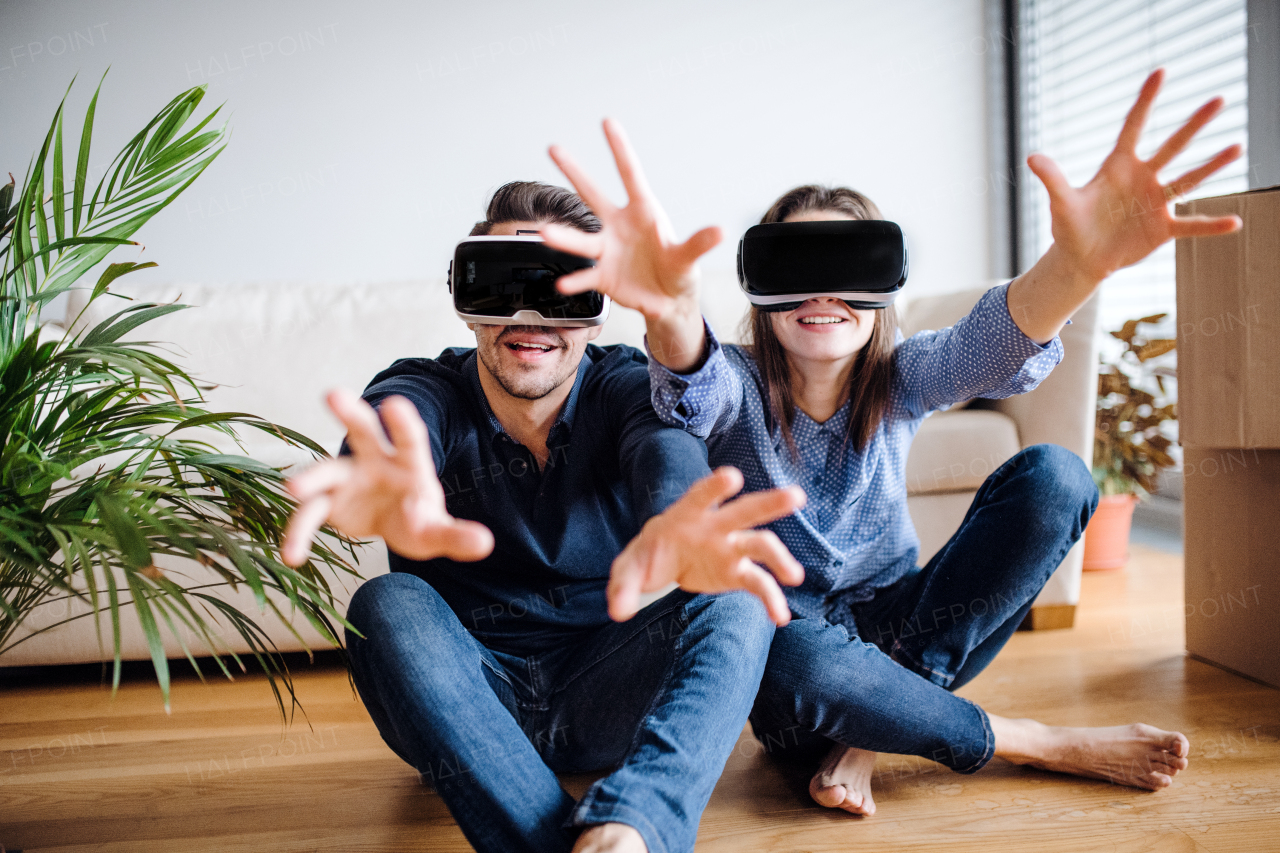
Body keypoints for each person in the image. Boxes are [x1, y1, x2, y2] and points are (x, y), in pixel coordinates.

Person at [540, 68, 1242, 817]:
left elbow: (991, 345)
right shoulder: (738, 386)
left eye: (850, 271)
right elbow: (690, 379)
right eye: (799, 271)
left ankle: (877, 730)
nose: (822, 296)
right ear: (760, 292)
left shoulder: (905, 375)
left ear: (884, 294)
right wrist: (670, 313)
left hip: (908, 617)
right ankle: (1035, 739)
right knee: (792, 650)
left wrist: (1075, 265)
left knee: (1058, 479)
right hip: (800, 662)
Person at [280, 181, 811, 853]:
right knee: (387, 600)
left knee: (741, 593)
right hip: (461, 703)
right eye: (502, 285)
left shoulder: (625, 383)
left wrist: (678, 511)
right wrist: (371, 466)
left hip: (603, 689)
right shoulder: (426, 387)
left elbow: (663, 445)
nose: (530, 316)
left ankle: (639, 822)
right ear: (464, 302)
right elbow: (394, 425)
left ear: (597, 311)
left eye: (560, 290)